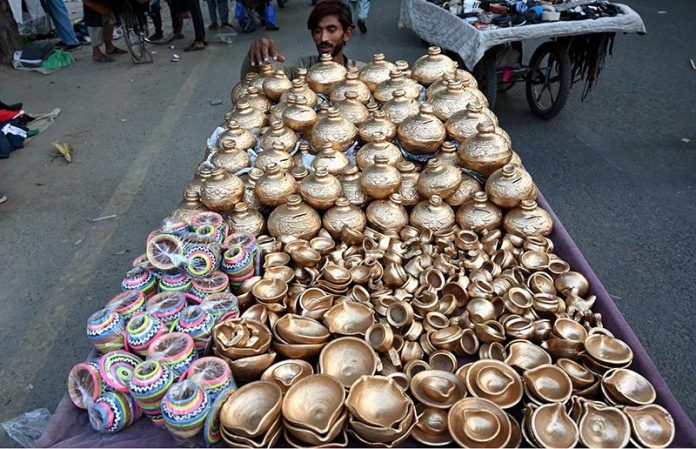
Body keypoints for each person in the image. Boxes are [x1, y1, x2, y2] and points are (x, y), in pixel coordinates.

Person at [241, 0, 361, 80]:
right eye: (317, 31)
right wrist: (255, 57)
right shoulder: (299, 69)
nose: (323, 38)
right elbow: (256, 81)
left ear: (347, 34)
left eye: (331, 30)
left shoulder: (362, 73)